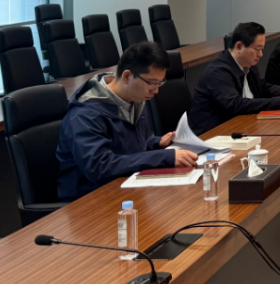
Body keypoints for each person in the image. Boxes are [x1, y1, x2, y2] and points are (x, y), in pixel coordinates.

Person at [56, 42, 199, 199]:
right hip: (89, 200)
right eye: (152, 83)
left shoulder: (135, 100)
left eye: (159, 83)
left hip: (126, 187)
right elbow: (100, 166)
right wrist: (165, 157)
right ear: (127, 76)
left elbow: (125, 145)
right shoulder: (84, 116)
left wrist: (156, 143)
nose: (156, 91)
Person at [189, 22, 280, 134]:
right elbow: (235, 104)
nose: (261, 54)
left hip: (242, 126)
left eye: (262, 49)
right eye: (257, 49)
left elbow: (263, 87)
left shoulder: (248, 64)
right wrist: (279, 102)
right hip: (212, 135)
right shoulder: (217, 72)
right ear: (239, 46)